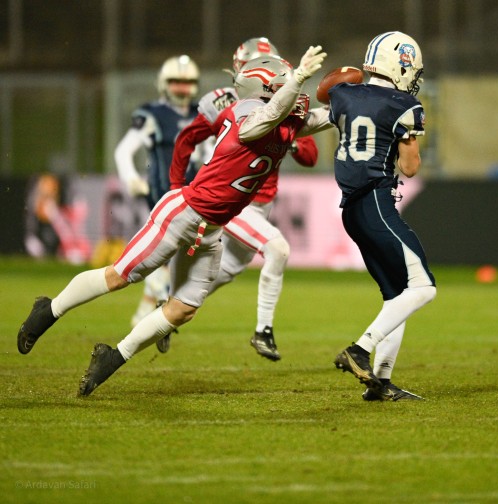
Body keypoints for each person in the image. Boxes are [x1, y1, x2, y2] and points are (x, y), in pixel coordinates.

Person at [17, 45, 333, 397]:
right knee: (119, 276)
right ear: (263, 90)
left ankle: (113, 357)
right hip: (184, 214)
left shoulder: (280, 121)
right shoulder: (246, 114)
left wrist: (353, 101)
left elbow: (320, 118)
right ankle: (49, 310)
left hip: (211, 232)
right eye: (284, 86)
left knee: (182, 310)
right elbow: (268, 117)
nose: (294, 93)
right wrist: (299, 78)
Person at [165, 37, 319, 361]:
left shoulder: (287, 102)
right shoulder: (223, 102)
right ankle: (264, 331)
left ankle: (168, 310)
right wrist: (176, 187)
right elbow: (186, 140)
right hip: (231, 200)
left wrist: (288, 136)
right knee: (276, 250)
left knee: (229, 269)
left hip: (261, 205)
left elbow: (310, 157)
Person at [330, 32, 436, 401]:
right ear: (401, 65)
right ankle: (360, 349)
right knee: (423, 287)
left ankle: (381, 382)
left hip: (351, 210)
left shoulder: (344, 94)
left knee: (397, 296)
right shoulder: (402, 104)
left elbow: (328, 111)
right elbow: (410, 168)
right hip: (376, 203)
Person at [114, 55, 210, 328]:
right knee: (167, 253)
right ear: (164, 83)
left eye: (186, 81)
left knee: (174, 254)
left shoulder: (202, 112)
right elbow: (124, 151)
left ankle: (145, 311)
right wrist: (131, 179)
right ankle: (160, 309)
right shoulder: (152, 114)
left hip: (193, 194)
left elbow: (211, 150)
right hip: (163, 194)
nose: (182, 87)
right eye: (176, 81)